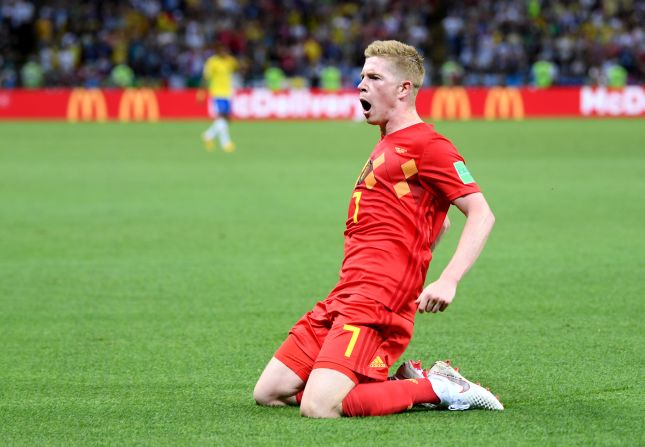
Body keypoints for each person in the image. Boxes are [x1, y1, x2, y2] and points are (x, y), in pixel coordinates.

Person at [253, 40, 502, 418]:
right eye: (361, 76)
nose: (360, 85)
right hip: (346, 293)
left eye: (373, 77)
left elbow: (481, 214)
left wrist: (447, 279)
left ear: (404, 89)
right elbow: (441, 220)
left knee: (319, 407)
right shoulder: (389, 143)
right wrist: (414, 252)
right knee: (269, 392)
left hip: (377, 300)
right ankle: (394, 384)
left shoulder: (428, 144)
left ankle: (436, 387)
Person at [201, 44, 238, 153]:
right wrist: (202, 91)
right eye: (222, 51)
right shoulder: (212, 62)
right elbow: (206, 77)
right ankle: (225, 143)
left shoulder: (230, 61)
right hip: (217, 93)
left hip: (228, 92)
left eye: (226, 51)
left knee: (226, 119)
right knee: (222, 117)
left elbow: (236, 69)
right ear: (217, 51)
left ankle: (209, 135)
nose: (224, 53)